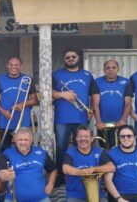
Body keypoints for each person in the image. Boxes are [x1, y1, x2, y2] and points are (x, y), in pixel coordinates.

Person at [52, 49, 99, 185]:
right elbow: (47, 92)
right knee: (61, 147)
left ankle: (82, 172)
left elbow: (94, 94)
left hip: (81, 118)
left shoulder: (87, 75)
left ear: (78, 58)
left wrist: (92, 109)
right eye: (68, 57)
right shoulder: (57, 75)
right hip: (62, 119)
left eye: (73, 56)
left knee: (84, 146)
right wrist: (62, 95)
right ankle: (61, 176)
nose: (71, 59)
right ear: (64, 59)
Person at [0, 56, 38, 152]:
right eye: (11, 64)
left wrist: (22, 104)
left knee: (24, 148)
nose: (14, 67)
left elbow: (34, 100)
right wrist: (3, 111)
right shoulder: (0, 79)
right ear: (7, 66)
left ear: (20, 66)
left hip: (23, 121)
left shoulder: (28, 79)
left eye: (16, 65)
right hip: (6, 119)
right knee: (4, 149)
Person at [0, 128, 57, 202]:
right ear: (15, 140)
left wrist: (50, 184)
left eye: (26, 140)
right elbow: (0, 175)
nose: (23, 142)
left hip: (41, 198)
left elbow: (53, 170)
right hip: (13, 199)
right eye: (20, 140)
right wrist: (5, 174)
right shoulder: (7, 154)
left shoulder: (41, 153)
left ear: (31, 140)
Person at [104, 125, 137, 202]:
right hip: (119, 195)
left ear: (135, 137)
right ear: (119, 138)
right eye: (122, 136)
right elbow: (108, 180)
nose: (126, 138)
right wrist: (119, 199)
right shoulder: (111, 154)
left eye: (129, 136)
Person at [62, 125, 115, 202]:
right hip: (75, 195)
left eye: (86, 136)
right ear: (76, 138)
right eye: (80, 136)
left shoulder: (99, 152)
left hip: (97, 194)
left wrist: (93, 169)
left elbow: (112, 167)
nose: (83, 139)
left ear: (91, 139)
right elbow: (65, 169)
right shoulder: (70, 152)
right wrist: (84, 172)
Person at [93, 60, 132, 148]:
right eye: (108, 68)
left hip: (119, 123)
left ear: (118, 69)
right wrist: (98, 121)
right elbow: (95, 103)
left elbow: (128, 103)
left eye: (113, 67)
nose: (111, 70)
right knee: (104, 147)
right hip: (103, 123)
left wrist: (123, 120)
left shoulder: (126, 82)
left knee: (121, 147)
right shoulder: (97, 82)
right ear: (104, 70)